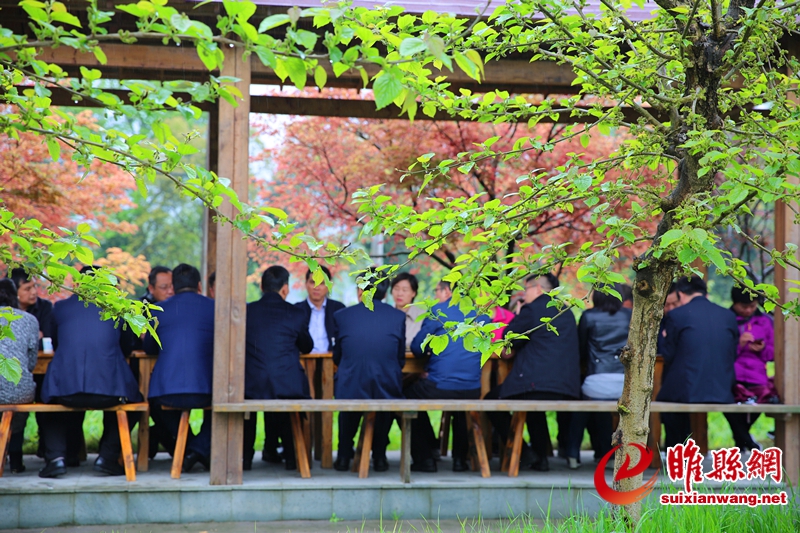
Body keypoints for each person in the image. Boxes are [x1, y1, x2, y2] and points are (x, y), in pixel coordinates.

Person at [38, 266, 141, 478]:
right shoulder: (116, 308)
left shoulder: (60, 308)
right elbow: (127, 347)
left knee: (46, 403)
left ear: (78, 284)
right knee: (136, 404)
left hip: (64, 390)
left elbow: (55, 343)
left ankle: (56, 459)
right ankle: (107, 457)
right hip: (109, 389)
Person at [486, 273, 581, 472]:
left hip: (535, 384)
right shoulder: (565, 310)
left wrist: (519, 314)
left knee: (490, 402)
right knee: (531, 403)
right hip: (568, 387)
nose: (523, 294)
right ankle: (540, 458)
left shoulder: (531, 309)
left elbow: (508, 339)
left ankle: (526, 453)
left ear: (538, 288)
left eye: (526, 289)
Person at [407, 281, 486, 472]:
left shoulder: (438, 311)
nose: (436, 295)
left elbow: (417, 348)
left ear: (448, 291)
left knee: (406, 396)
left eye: (437, 291)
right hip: (472, 389)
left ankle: (426, 457)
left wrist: (430, 359)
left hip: (439, 386)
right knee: (461, 405)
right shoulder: (482, 315)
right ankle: (460, 460)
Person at [332, 268, 406, 473]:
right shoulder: (397, 317)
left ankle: (344, 456)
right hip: (386, 383)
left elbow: (337, 355)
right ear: (385, 291)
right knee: (385, 395)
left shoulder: (342, 316)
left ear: (360, 290)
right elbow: (399, 358)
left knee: (350, 393)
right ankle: (380, 456)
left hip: (351, 384)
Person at [143, 264, 214, 473]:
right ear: (199, 286)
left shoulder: (157, 311)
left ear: (173, 286)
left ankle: (191, 449)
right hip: (209, 389)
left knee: (156, 407)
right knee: (225, 407)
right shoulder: (216, 308)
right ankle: (197, 450)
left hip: (165, 391)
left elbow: (149, 348)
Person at [243, 266, 313, 471]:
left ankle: (245, 459)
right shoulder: (297, 313)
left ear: (262, 287)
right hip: (287, 384)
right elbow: (307, 346)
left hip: (251, 384)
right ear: (285, 288)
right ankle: (292, 458)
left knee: (249, 411)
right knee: (285, 405)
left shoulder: (247, 311)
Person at [656, 276, 738, 448]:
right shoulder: (728, 315)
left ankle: (677, 451)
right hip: (723, 389)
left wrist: (665, 337)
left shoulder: (676, 315)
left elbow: (668, 355)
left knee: (665, 400)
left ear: (680, 293)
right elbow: (732, 352)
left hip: (686, 390)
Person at [565, 285, 631, 469]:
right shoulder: (629, 315)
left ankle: (572, 453)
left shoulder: (588, 316)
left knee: (583, 409)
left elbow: (581, 348)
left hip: (596, 380)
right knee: (604, 412)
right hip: (624, 382)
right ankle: (608, 455)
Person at [725, 284, 775, 451]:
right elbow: (720, 352)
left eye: (752, 306)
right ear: (734, 303)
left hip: (757, 376)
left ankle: (743, 440)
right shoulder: (726, 320)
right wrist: (739, 345)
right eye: (744, 307)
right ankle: (746, 442)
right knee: (729, 407)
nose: (748, 310)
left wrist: (762, 349)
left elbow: (774, 353)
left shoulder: (765, 321)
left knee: (760, 402)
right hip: (733, 375)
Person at [0, 279, 39, 473]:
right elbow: (31, 364)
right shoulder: (29, 320)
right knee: (20, 395)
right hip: (18, 390)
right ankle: (16, 458)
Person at [9, 268, 53, 342]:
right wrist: (33, 335)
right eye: (28, 289)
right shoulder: (4, 309)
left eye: (35, 286)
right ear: (14, 291)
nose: (34, 292)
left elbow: (47, 338)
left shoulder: (45, 307)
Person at [390, 272, 424, 349]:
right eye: (396, 289)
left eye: (404, 290)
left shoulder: (423, 317)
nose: (399, 294)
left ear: (414, 293)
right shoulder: (385, 315)